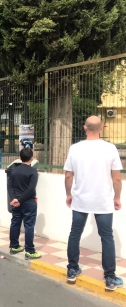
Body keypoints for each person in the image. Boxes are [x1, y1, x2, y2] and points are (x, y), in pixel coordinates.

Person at [64, 116, 123, 291]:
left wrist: (68, 194)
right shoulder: (110, 148)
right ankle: (110, 278)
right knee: (107, 237)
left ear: (84, 128)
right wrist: (117, 197)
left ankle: (72, 270)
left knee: (75, 233)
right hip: (103, 200)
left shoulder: (75, 148)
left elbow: (68, 175)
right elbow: (117, 178)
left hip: (81, 199)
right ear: (102, 128)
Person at [8, 148, 41, 259]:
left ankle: (14, 246)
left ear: (20, 158)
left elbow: (10, 186)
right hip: (28, 202)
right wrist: (20, 200)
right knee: (29, 226)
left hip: (16, 202)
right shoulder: (33, 171)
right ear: (32, 158)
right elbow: (31, 189)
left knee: (15, 223)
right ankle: (30, 251)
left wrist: (14, 199)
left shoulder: (14, 170)